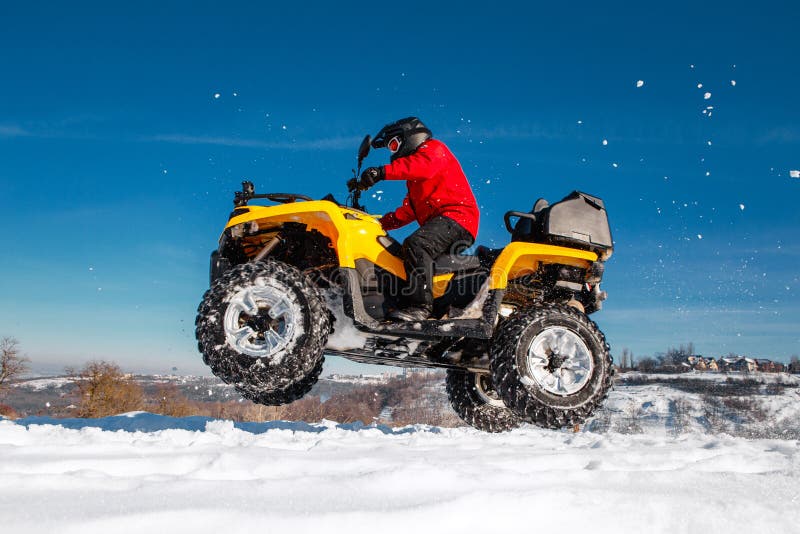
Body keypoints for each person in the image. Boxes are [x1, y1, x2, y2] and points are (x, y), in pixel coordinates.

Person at [352, 117, 479, 321]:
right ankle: (432, 309)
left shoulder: (434, 149)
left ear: (410, 136)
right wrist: (378, 223)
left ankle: (420, 306)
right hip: (442, 221)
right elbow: (407, 211)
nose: (393, 153)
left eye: (393, 145)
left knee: (417, 244)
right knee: (404, 255)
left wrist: (381, 172)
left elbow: (422, 166)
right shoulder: (415, 183)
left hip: (457, 217)